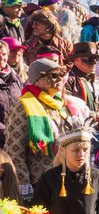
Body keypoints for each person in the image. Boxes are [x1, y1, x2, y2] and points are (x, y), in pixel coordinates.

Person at [4, 56, 87, 200]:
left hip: (63, 179)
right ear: (37, 80)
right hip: (39, 184)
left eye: (60, 74)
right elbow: (14, 151)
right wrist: (24, 187)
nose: (59, 79)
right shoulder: (23, 106)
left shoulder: (58, 105)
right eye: (53, 76)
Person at [61, 42, 99, 117]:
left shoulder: (97, 81)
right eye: (90, 59)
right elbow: (66, 106)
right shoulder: (68, 80)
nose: (94, 63)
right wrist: (92, 115)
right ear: (77, 60)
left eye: (96, 59)